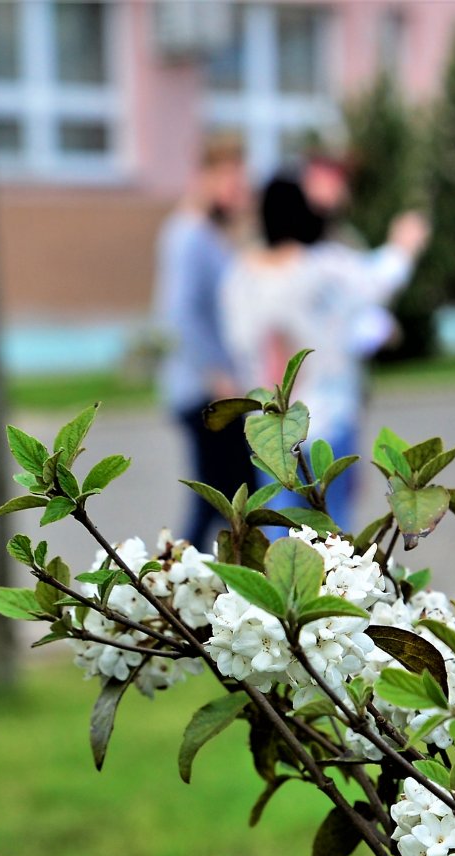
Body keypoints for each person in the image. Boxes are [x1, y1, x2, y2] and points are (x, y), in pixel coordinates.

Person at [220, 176, 428, 527]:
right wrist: (404, 243)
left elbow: (237, 344)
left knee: (276, 525)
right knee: (334, 529)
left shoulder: (239, 277)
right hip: (329, 416)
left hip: (268, 428)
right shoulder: (322, 266)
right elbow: (378, 279)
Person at [154, 133, 255, 547]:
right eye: (228, 178)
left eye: (241, 179)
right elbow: (180, 314)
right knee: (228, 499)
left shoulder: (208, 234)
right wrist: (218, 377)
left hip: (214, 391)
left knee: (222, 498)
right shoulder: (188, 235)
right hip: (207, 393)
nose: (237, 188)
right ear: (204, 177)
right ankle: (179, 588)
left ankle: (181, 589)